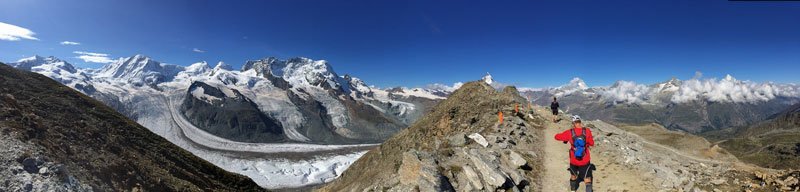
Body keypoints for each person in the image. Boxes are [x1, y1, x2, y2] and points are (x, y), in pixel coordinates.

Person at [554, 115, 595, 192]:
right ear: (580, 122)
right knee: (587, 179)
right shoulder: (587, 131)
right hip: (585, 159)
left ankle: (573, 190)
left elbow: (556, 137)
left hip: (573, 159)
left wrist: (566, 138)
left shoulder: (569, 132)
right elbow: (592, 143)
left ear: (573, 123)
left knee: (573, 175)